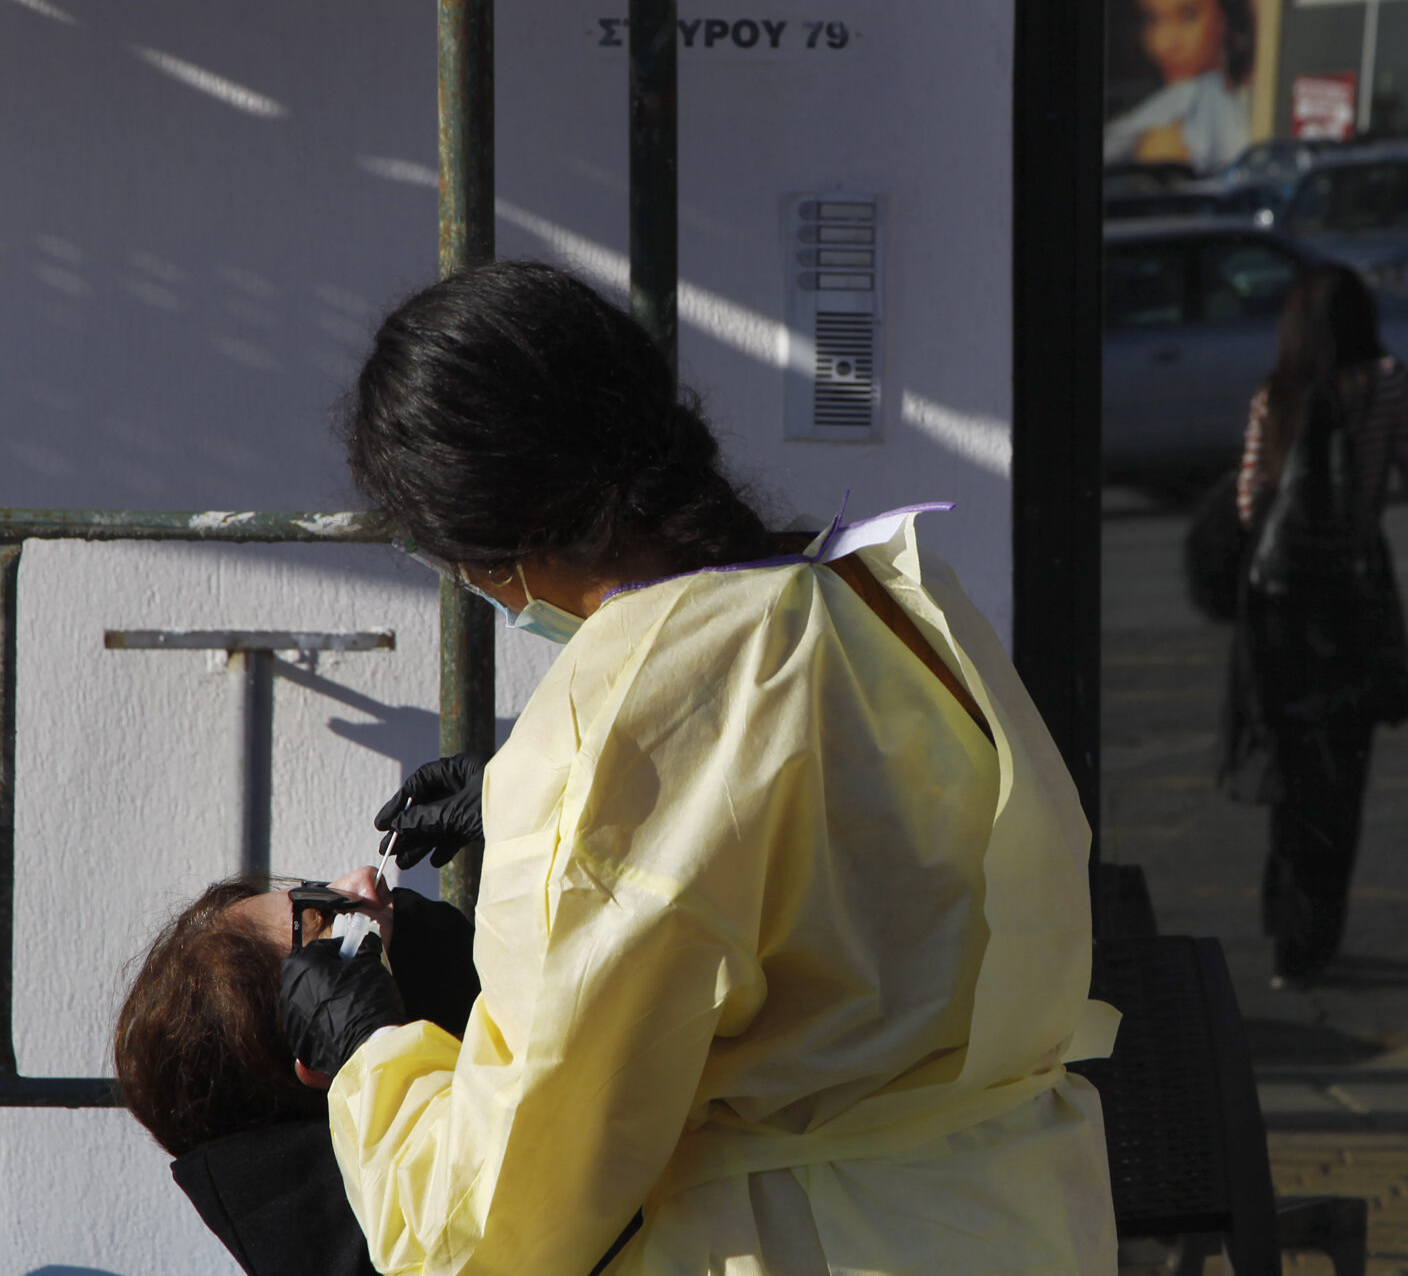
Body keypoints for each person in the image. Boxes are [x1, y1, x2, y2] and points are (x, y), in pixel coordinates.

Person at [277, 261, 1117, 1275]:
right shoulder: (878, 592)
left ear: (491, 543)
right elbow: (844, 863)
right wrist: (548, 815)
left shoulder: (609, 723)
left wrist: (370, 1053)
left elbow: (503, 1212)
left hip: (825, 1242)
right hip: (1021, 1215)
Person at [1221, 263, 1408, 988]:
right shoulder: (1391, 384)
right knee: (1344, 770)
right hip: (1354, 600)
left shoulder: (1274, 393)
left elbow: (1249, 505)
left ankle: (1286, 932)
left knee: (1291, 768)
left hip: (1281, 613)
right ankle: (1321, 935)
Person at [114, 867, 480, 1276]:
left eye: (316, 889)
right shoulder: (447, 1232)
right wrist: (375, 1045)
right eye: (332, 916)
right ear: (322, 1055)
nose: (364, 879)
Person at [1103, 0, 1256, 174]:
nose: (1164, 43)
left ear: (1227, 16)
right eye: (1152, 20)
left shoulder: (1205, 99)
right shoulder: (1154, 109)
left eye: (1187, 15)